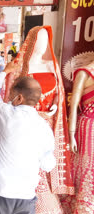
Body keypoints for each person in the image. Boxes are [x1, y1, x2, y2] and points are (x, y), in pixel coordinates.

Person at [6, 26, 74, 214]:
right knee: (28, 160)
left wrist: (55, 106)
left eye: (46, 41)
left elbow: (59, 93)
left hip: (47, 122)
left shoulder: (51, 65)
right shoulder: (20, 68)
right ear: (31, 41)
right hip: (27, 124)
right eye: (39, 40)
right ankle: (33, 200)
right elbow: (11, 98)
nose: (43, 46)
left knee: (45, 158)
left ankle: (44, 201)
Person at [0, 61, 56, 214]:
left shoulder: (7, 114)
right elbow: (48, 165)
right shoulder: (45, 127)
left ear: (19, 98)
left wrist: (4, 72)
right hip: (26, 197)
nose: (8, 97)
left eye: (11, 93)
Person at [67, 61, 94, 213]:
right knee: (86, 168)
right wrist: (71, 135)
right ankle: (84, 206)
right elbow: (73, 107)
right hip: (89, 128)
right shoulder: (84, 73)